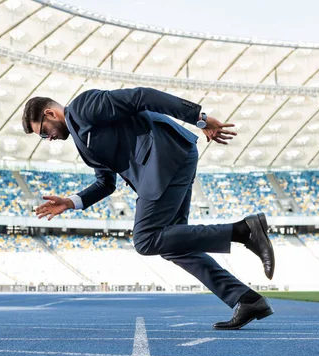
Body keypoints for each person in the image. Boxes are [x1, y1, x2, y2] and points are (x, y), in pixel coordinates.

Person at [22, 87, 275, 330]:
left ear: (50, 114)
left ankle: (243, 231)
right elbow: (105, 183)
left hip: (163, 157)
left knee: (145, 240)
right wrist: (70, 202)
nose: (49, 139)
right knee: (172, 246)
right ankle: (247, 299)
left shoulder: (83, 107)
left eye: (44, 133)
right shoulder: (82, 140)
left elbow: (141, 97)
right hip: (165, 163)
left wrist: (200, 119)